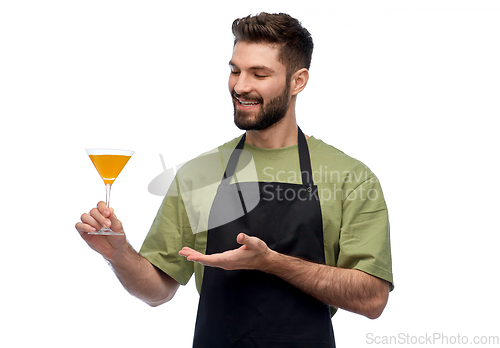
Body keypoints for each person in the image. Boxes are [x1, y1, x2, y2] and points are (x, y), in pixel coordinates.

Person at [76, 12, 393, 347]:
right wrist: (119, 254)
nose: (240, 86)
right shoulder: (200, 173)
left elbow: (373, 299)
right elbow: (158, 291)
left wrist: (271, 263)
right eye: (235, 70)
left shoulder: (350, 177)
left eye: (259, 73)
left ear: (298, 81)